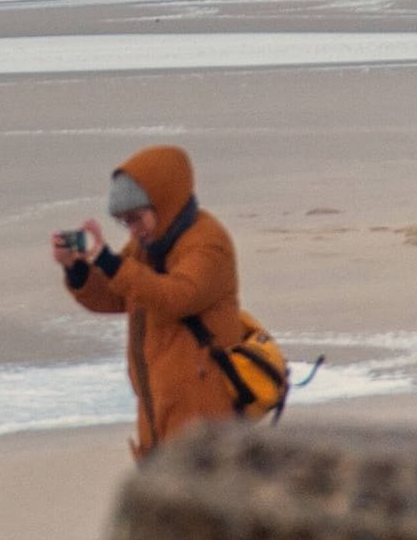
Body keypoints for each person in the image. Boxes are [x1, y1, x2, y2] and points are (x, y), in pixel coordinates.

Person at [53, 143, 283, 460]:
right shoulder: (147, 246)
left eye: (136, 218)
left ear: (164, 203)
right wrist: (76, 268)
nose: (132, 230)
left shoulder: (209, 244)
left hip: (205, 420)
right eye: (124, 222)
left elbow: (175, 297)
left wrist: (108, 261)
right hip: (157, 411)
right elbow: (114, 294)